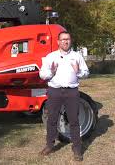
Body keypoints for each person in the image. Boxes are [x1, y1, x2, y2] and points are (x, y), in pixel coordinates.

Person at [38, 31, 89, 161]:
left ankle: (77, 149)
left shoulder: (77, 56)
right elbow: (42, 74)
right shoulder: (51, 56)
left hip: (72, 92)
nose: (65, 42)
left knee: (74, 120)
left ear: (70, 41)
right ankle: (50, 145)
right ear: (58, 42)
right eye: (63, 39)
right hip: (54, 91)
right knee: (52, 119)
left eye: (67, 39)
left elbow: (86, 72)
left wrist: (78, 72)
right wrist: (51, 72)